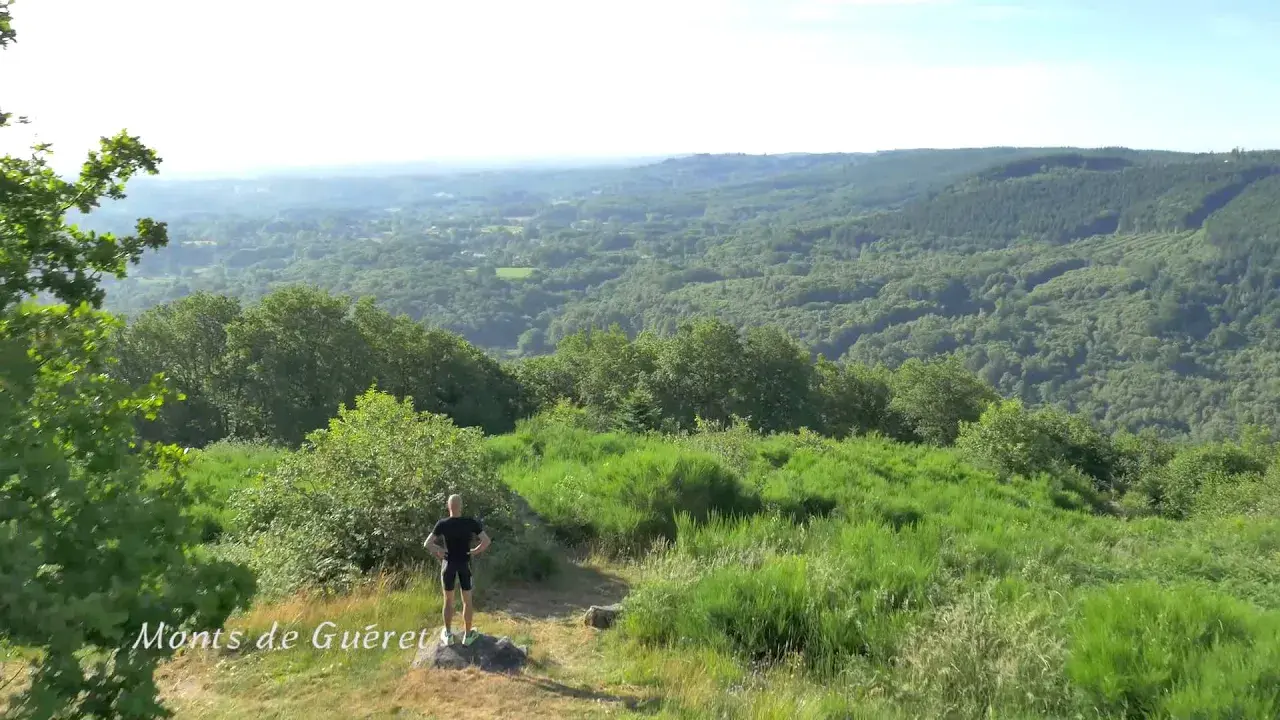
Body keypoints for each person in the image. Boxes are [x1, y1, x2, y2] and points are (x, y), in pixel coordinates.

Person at [424, 493, 491, 646]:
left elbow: (427, 544)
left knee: (448, 600)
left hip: (448, 565)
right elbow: (486, 541)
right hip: (464, 564)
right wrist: (475, 551)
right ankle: (468, 635)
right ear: (461, 506)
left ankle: (448, 635)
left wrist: (439, 550)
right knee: (467, 601)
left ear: (448, 507)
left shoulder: (442, 524)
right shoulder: (470, 522)